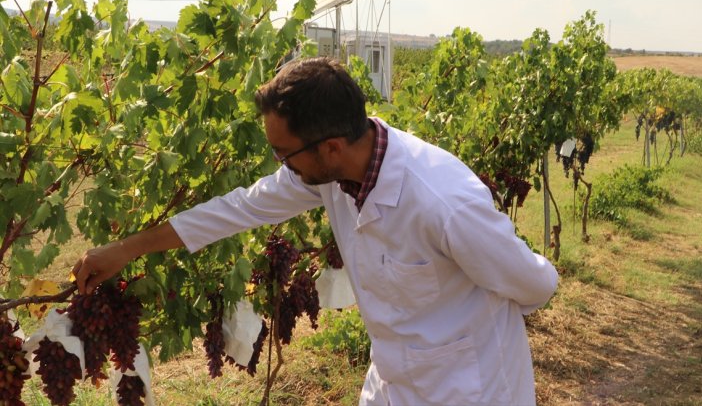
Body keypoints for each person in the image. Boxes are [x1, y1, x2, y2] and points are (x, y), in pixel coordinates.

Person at [73, 57, 558, 406]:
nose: (279, 166)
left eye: (283, 154)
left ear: (329, 147)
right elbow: (239, 208)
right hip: (393, 382)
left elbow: (535, 285)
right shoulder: (331, 175)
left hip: (471, 389)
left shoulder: (443, 201)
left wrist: (453, 335)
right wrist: (127, 248)